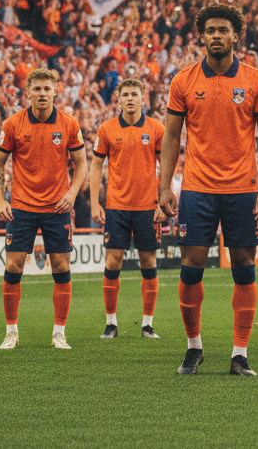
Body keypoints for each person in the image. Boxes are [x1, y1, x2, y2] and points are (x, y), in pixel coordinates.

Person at [158, 2, 258, 377]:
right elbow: (172, 137)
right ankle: (194, 348)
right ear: (201, 35)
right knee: (190, 268)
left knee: (244, 267)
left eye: (222, 30)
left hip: (243, 189)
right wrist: (165, 186)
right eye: (210, 30)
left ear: (236, 35)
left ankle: (239, 354)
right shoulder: (183, 81)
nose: (216, 36)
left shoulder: (257, 81)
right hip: (197, 189)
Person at [0, 68, 87, 351]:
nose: (42, 94)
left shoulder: (69, 124)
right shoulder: (13, 124)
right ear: (28, 92)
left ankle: (59, 332)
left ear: (56, 90)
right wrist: (0, 199)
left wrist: (72, 193)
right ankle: (11, 332)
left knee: (61, 266)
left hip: (57, 207)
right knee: (13, 266)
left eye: (47, 89)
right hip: (21, 207)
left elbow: (82, 164)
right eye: (37, 89)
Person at [88, 77, 165, 339]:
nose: (130, 99)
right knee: (113, 262)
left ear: (143, 97)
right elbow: (96, 165)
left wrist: (163, 199)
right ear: (118, 99)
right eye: (125, 95)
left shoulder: (156, 128)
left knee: (148, 262)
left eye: (134, 94)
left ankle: (147, 324)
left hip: (147, 206)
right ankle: (111, 323)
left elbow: (165, 163)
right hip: (116, 207)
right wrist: (96, 202)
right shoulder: (107, 129)